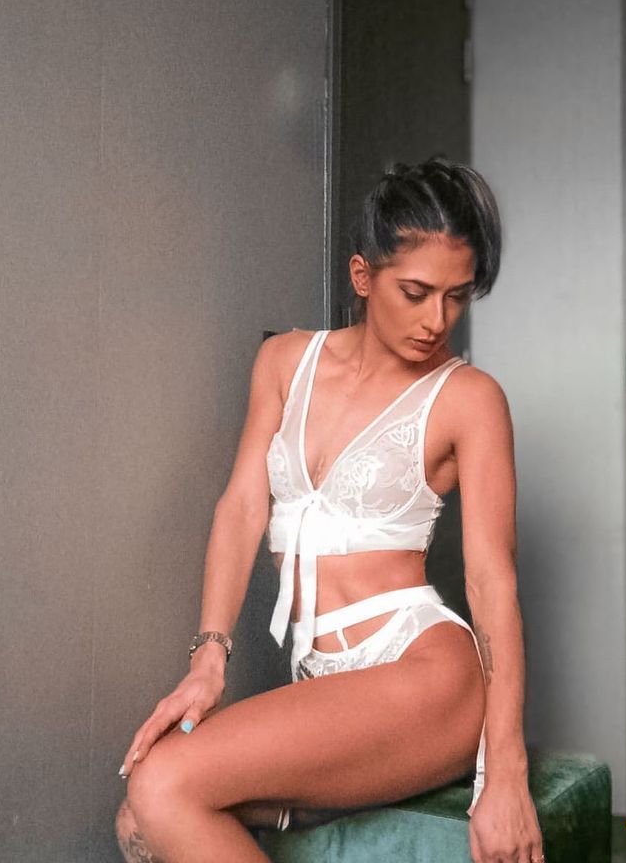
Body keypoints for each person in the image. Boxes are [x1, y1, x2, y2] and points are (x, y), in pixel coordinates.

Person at [115, 157, 544, 863]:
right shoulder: (286, 363)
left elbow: (491, 580)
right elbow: (242, 507)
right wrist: (209, 658)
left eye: (456, 297)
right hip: (325, 682)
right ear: (362, 276)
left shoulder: (469, 399)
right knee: (139, 822)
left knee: (161, 785)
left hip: (425, 674)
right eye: (415, 292)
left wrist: (507, 773)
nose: (436, 320)